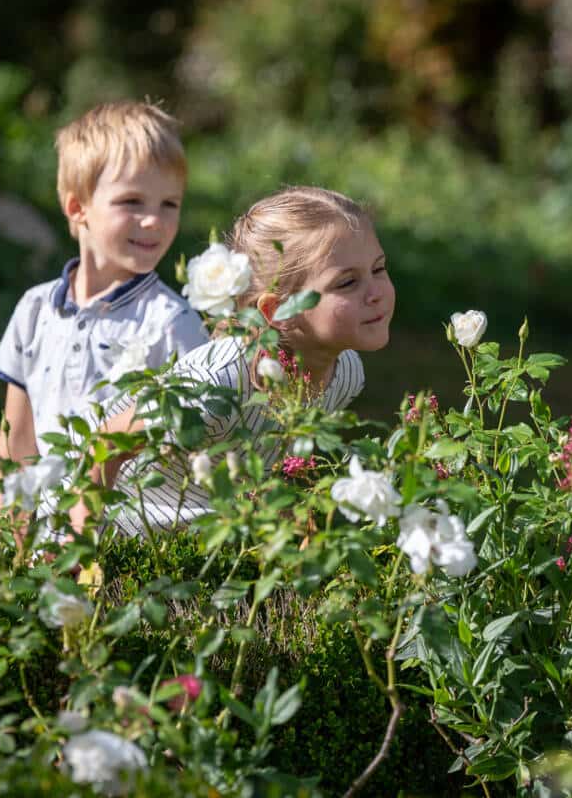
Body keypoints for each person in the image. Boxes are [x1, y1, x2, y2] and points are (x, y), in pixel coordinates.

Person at [74, 185, 395, 537]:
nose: (377, 292)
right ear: (277, 312)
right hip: (99, 525)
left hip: (189, 542)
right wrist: (79, 549)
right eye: (347, 282)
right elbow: (104, 443)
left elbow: (263, 454)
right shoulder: (220, 381)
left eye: (378, 269)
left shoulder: (345, 373)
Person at [0, 100, 209, 468]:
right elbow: (16, 445)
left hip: (129, 522)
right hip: (50, 522)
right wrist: (11, 521)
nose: (154, 220)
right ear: (78, 208)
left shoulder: (171, 322)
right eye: (132, 201)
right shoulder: (35, 309)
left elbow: (200, 438)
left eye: (169, 204)